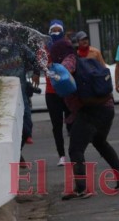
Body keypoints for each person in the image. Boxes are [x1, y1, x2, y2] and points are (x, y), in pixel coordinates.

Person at [50, 31, 119, 200]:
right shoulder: (78, 58)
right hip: (106, 108)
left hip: (91, 111)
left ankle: (81, 188)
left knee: (75, 149)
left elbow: (65, 73)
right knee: (100, 142)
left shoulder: (68, 60)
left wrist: (53, 73)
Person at [0, 29, 40, 164]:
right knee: (11, 126)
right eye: (3, 36)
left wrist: (36, 73)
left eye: (8, 36)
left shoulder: (20, 48)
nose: (6, 39)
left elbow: (35, 60)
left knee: (27, 127)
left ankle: (17, 151)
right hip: (7, 95)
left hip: (22, 94)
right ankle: (15, 156)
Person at [43, 20, 72, 166]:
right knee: (56, 125)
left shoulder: (67, 47)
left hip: (67, 90)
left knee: (71, 121)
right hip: (51, 91)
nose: (55, 33)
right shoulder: (44, 49)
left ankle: (74, 151)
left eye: (57, 30)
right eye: (52, 30)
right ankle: (61, 155)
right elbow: (42, 66)